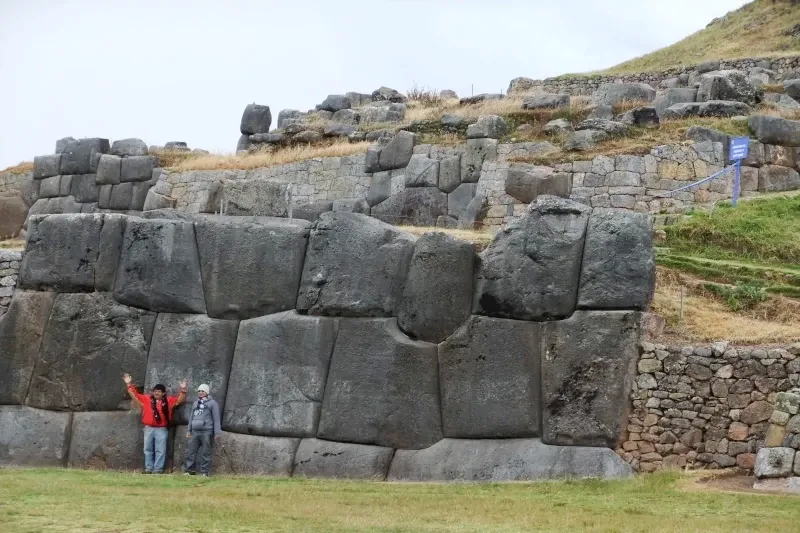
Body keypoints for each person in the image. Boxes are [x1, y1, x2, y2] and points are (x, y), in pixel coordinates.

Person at [123, 373, 187, 474]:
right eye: (155, 391)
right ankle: (148, 468)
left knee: (160, 450)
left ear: (163, 393)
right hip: (148, 428)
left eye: (159, 392)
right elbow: (135, 395)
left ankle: (158, 469)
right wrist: (129, 384)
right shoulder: (147, 399)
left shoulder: (169, 401)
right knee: (147, 449)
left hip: (161, 429)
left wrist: (183, 389)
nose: (156, 393)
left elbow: (180, 400)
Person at [184, 383, 222, 477]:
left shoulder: (212, 403)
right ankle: (189, 470)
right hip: (195, 431)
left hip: (207, 431)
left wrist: (217, 432)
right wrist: (189, 430)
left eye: (203, 391)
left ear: (207, 392)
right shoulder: (195, 403)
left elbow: (216, 418)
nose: (200, 393)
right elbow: (191, 417)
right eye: (199, 391)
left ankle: (204, 472)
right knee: (191, 451)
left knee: (206, 452)